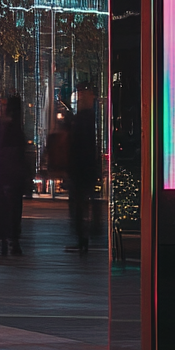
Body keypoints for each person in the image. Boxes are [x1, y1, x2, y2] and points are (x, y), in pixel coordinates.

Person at [67, 83, 99, 255]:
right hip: (86, 168)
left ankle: (83, 238)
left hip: (81, 169)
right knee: (84, 203)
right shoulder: (91, 118)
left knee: (79, 205)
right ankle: (85, 237)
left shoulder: (82, 119)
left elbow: (79, 146)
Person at [0, 94, 28, 257]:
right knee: (14, 208)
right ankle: (12, 239)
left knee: (5, 208)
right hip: (13, 175)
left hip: (3, 174)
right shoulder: (16, 129)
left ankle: (4, 238)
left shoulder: (0, 127)